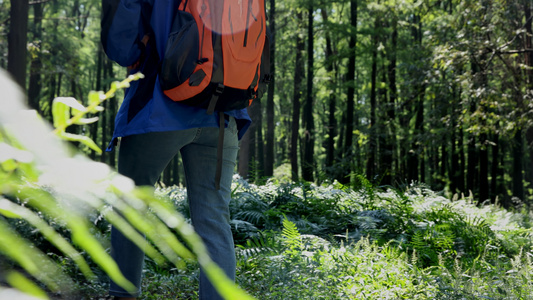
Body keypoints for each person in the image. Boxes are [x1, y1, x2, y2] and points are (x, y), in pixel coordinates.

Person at [100, 0, 251, 299]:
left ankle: (123, 294)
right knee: (214, 220)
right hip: (223, 114)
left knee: (131, 206)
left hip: (159, 110)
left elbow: (122, 49)